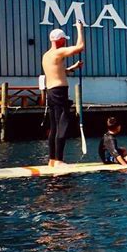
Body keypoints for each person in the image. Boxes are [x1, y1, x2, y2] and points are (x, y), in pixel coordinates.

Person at [42, 22, 84, 166]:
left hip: (51, 92)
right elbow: (80, 47)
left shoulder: (47, 55)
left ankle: (52, 160)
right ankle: (59, 160)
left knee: (54, 127)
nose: (65, 41)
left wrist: (73, 67)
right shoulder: (58, 52)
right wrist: (80, 29)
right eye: (64, 39)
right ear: (59, 40)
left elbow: (58, 71)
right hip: (59, 93)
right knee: (63, 124)